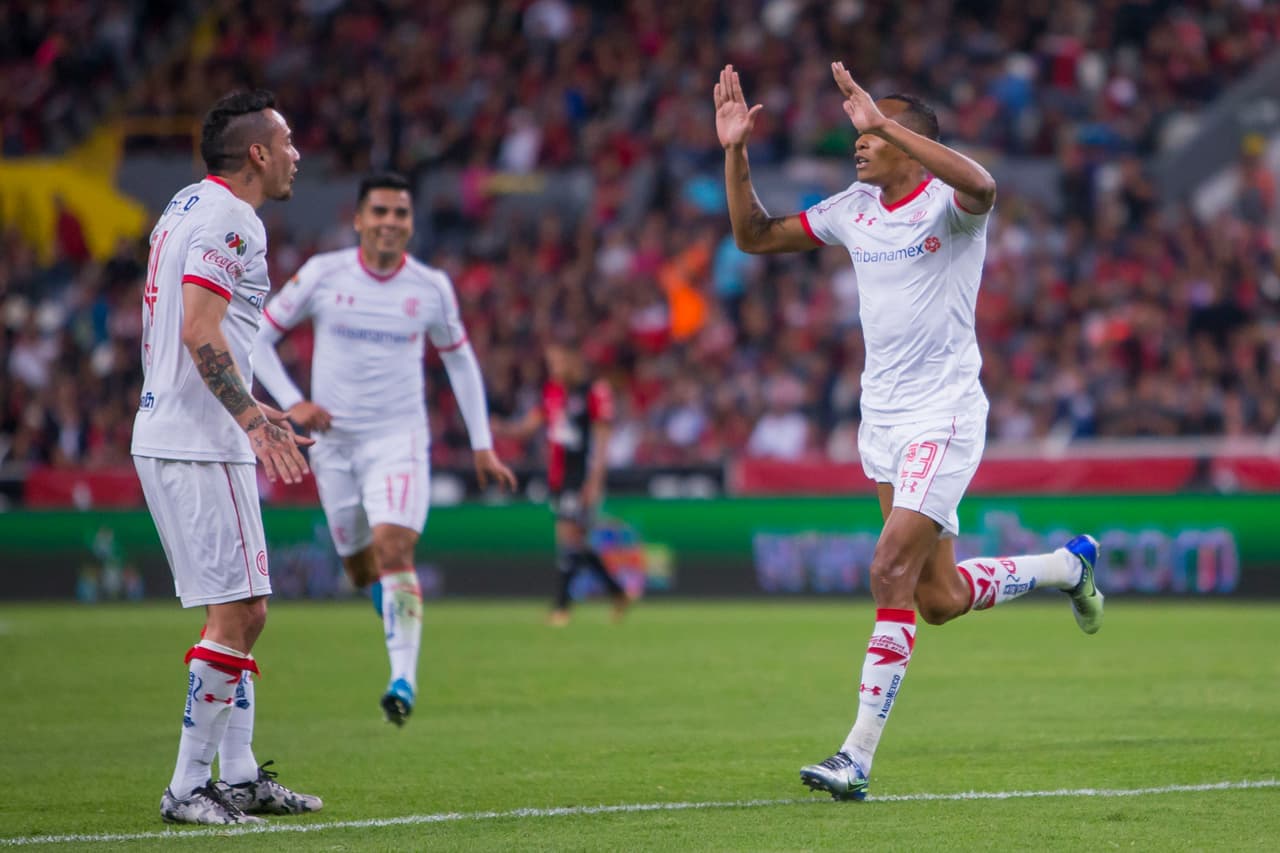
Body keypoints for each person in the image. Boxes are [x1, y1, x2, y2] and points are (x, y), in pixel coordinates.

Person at [714, 63, 1105, 800]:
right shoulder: (854, 207)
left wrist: (884, 120)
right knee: (938, 596)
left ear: (907, 140)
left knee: (888, 567)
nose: (857, 141)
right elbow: (754, 236)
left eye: (870, 131)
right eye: (859, 131)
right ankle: (1068, 566)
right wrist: (736, 151)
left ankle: (855, 755)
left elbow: (986, 187)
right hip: (883, 421)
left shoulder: (950, 206)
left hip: (945, 414)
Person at [252, 172, 517, 726]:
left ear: (412, 223)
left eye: (400, 213)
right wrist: (292, 402)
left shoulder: (430, 287)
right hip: (332, 446)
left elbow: (460, 360)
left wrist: (483, 445)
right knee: (358, 565)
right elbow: (256, 338)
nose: (391, 223)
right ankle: (392, 607)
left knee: (394, 548)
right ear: (358, 219)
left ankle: (403, 679)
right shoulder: (325, 275)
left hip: (399, 442)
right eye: (381, 212)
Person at [132, 90, 322, 825]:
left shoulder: (184, 204)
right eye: (289, 140)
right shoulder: (230, 219)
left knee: (246, 612)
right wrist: (248, 416)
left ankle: (237, 774)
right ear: (258, 153)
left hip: (180, 431)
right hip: (200, 440)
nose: (297, 153)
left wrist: (248, 403)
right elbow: (200, 327)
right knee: (237, 611)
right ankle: (187, 789)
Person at [495, 338, 631, 627]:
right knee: (576, 543)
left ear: (573, 360)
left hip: (581, 475)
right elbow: (526, 428)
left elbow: (602, 441)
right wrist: (499, 428)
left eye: (558, 361)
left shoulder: (595, 392)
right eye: (550, 362)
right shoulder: (552, 392)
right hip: (558, 477)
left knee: (568, 538)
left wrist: (594, 482)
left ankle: (561, 607)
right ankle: (617, 591)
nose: (553, 368)